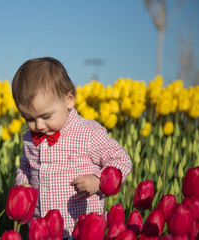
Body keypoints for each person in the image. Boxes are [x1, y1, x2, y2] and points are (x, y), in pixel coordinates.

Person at [12, 57, 132, 239]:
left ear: (69, 100)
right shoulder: (29, 139)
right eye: (29, 119)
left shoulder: (88, 133)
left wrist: (99, 181)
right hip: (39, 227)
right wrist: (23, 183)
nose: (39, 125)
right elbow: (25, 166)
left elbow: (122, 159)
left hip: (78, 228)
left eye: (46, 116)